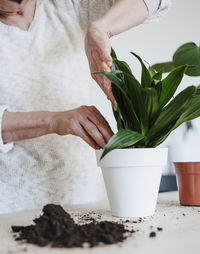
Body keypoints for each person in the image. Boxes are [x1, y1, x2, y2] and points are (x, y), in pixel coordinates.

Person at [0, 0, 171, 214]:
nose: (19, 6)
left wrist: (101, 27)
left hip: (85, 203)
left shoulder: (69, 7)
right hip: (11, 210)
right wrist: (54, 121)